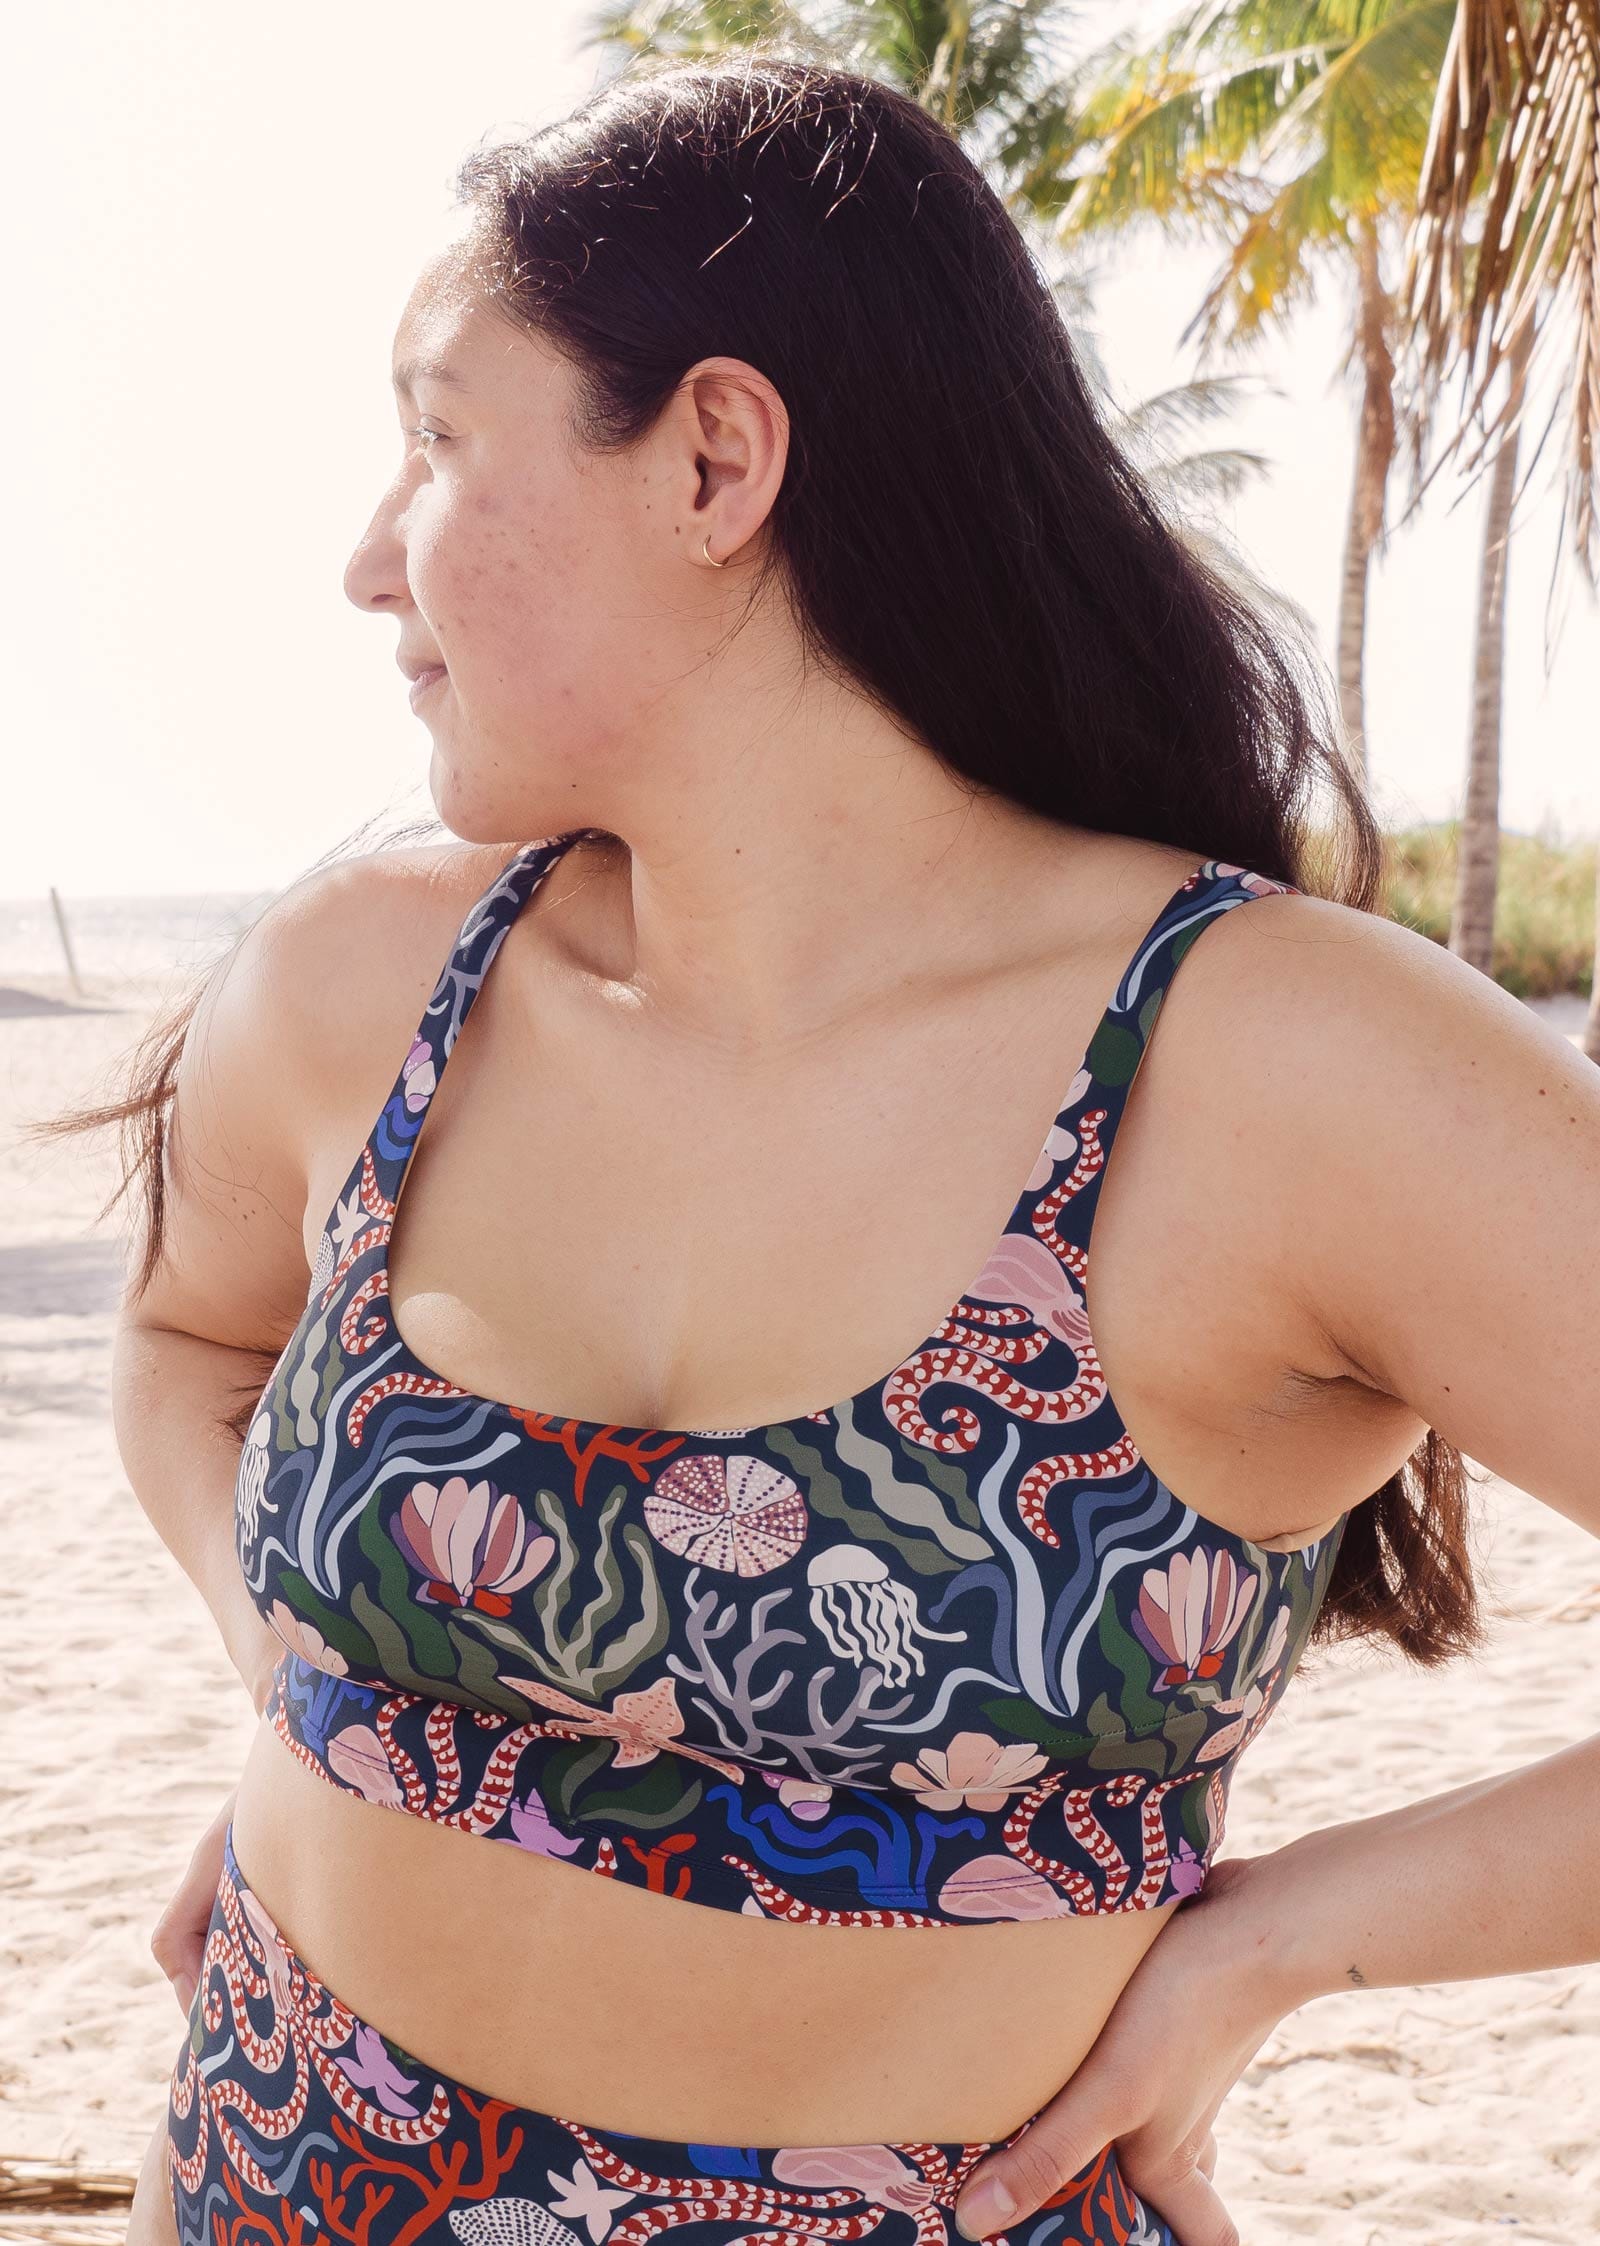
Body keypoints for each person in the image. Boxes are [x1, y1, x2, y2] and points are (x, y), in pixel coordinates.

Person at [72, 53, 1599, 2246]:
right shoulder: (361, 988)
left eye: (432, 436)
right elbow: (183, 1348)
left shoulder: (1274, 1069)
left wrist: (1279, 1939)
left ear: (713, 455)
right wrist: (303, 1681)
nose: (358, 561)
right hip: (270, 2182)